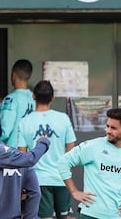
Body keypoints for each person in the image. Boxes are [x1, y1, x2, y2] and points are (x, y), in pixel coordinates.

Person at [57, 108, 121, 219]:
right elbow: (63, 162)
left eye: (113, 128)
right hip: (88, 215)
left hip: (114, 216)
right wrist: (74, 191)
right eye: (107, 126)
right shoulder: (93, 146)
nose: (108, 131)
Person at [18, 80, 77, 219]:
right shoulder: (63, 118)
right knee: (67, 216)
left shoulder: (24, 121)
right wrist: (65, 169)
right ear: (52, 97)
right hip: (61, 178)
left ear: (33, 96)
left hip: (38, 180)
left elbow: (22, 154)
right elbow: (71, 148)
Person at [0, 59, 35, 147]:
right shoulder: (35, 98)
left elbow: (5, 131)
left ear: (13, 74)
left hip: (14, 153)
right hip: (32, 152)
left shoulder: (10, 99)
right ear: (29, 76)